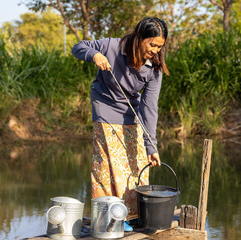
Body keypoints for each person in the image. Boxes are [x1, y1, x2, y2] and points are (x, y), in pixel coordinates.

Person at [71, 17, 169, 231]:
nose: (155, 50)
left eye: (159, 46)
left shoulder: (154, 69)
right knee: (109, 162)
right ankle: (107, 217)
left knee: (137, 162)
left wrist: (151, 145)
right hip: (104, 105)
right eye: (152, 44)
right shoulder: (112, 46)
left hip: (129, 110)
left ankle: (131, 215)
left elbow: (149, 108)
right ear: (139, 37)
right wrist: (95, 54)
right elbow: (78, 47)